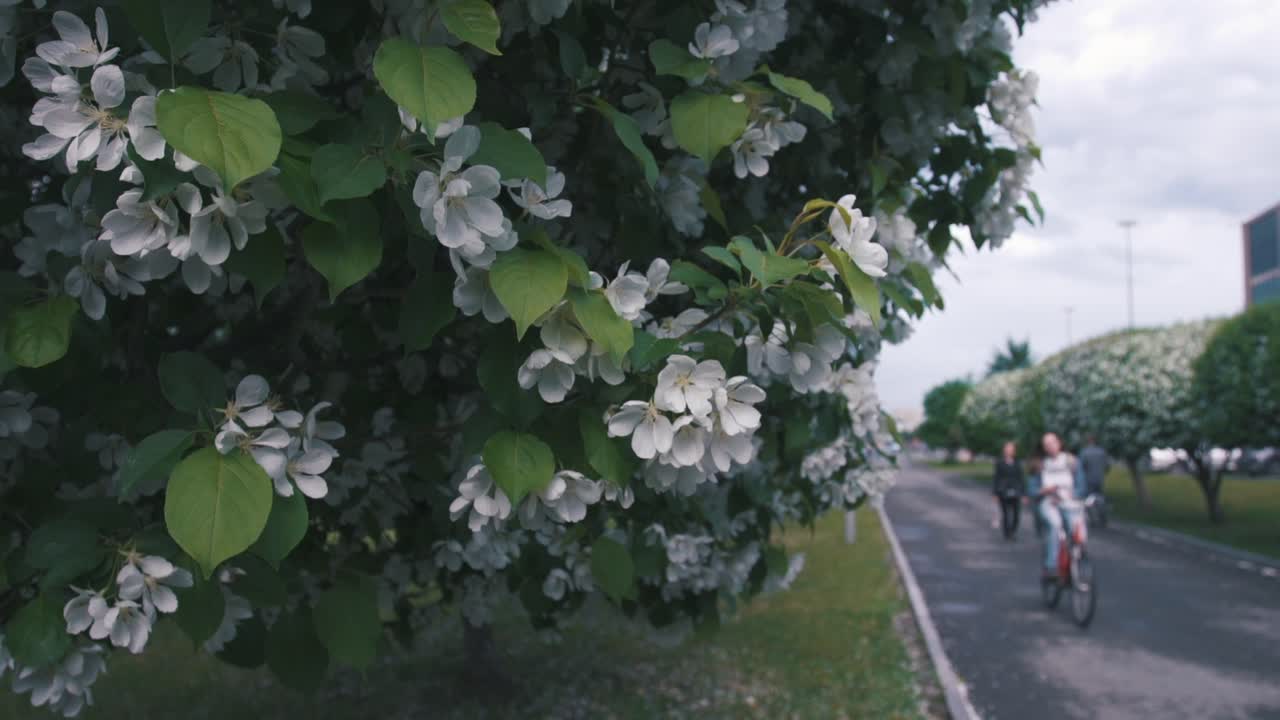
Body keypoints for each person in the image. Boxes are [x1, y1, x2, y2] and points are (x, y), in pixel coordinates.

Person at [1026, 432, 1087, 579]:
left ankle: (1075, 561)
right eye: (1046, 444)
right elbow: (1031, 490)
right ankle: (1051, 566)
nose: (1050, 446)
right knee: (1055, 525)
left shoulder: (1072, 461)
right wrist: (1044, 491)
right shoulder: (1040, 465)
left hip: (1069, 502)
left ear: (1059, 443)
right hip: (1049, 502)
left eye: (1052, 442)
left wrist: (1074, 495)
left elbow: (1081, 486)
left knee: (1076, 529)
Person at [991, 441, 1024, 539]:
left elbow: (1021, 478)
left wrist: (1024, 493)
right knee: (1006, 513)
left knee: (1016, 515)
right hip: (1003, 491)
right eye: (1007, 449)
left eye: (1011, 449)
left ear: (1014, 451)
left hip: (1016, 491)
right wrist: (995, 493)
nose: (1008, 451)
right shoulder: (1000, 462)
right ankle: (1007, 533)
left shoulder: (1017, 462)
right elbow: (996, 478)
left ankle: (1013, 530)